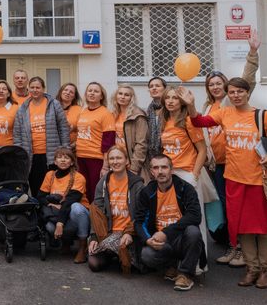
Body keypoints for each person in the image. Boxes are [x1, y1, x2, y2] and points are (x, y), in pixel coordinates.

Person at [186, 79, 267, 289]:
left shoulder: (263, 115)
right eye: (232, 92)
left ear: (248, 93)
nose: (236, 95)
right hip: (233, 179)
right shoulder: (225, 113)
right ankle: (252, 269)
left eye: (240, 91)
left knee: (263, 228)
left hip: (258, 180)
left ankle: (266, 271)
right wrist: (191, 104)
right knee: (242, 227)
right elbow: (199, 122)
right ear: (227, 95)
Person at [202, 30, 260, 265]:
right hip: (217, 166)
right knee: (225, 207)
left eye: (219, 84)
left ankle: (243, 251)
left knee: (238, 207)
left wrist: (252, 53)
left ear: (226, 86)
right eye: (211, 84)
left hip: (235, 163)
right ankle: (233, 246)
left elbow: (247, 79)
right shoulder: (207, 107)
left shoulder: (229, 101)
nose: (216, 87)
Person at [134, 154, 204, 292]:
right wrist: (148, 240)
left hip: (182, 239)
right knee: (147, 254)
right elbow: (139, 222)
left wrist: (166, 232)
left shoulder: (185, 188)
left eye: (164, 167)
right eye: (156, 168)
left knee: (193, 231)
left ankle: (186, 274)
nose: (160, 171)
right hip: (161, 242)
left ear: (172, 170)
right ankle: (172, 264)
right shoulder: (147, 192)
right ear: (151, 171)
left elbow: (195, 216)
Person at [158, 86, 209, 260]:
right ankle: (179, 260)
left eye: (175, 98)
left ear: (182, 102)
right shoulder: (164, 121)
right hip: (170, 176)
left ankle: (199, 263)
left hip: (187, 173)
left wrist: (194, 175)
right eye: (168, 98)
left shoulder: (189, 121)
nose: (171, 101)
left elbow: (202, 150)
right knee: (175, 218)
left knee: (195, 219)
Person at [87, 146, 145, 274]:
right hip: (108, 232)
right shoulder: (103, 182)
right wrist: (94, 237)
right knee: (93, 263)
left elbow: (141, 213)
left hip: (129, 233)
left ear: (126, 161)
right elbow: (97, 213)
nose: (115, 161)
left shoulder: (137, 184)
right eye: (111, 158)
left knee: (110, 249)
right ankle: (115, 254)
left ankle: (121, 254)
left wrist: (130, 232)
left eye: (119, 158)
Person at [14, 76, 70, 193]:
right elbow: (17, 134)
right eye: (32, 87)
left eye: (38, 87)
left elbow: (63, 129)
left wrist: (65, 151)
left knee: (53, 188)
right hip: (32, 156)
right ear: (29, 88)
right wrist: (19, 155)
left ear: (44, 88)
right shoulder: (22, 109)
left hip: (52, 155)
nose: (35, 90)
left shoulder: (54, 105)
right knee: (36, 188)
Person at [36, 146, 91, 263]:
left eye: (66, 158)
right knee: (50, 227)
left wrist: (60, 224)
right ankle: (66, 243)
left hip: (78, 214)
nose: (62, 160)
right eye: (59, 157)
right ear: (55, 161)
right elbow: (40, 197)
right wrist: (51, 205)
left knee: (75, 208)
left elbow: (69, 202)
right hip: (60, 212)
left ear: (72, 162)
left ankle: (82, 248)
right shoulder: (50, 175)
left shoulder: (79, 178)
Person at [75, 83, 116, 201]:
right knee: (84, 191)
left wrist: (105, 166)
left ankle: (96, 213)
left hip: (96, 159)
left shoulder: (106, 114)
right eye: (90, 90)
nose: (92, 93)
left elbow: (108, 142)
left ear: (101, 96)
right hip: (80, 157)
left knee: (95, 192)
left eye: (96, 91)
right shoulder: (83, 112)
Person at [109, 85, 150, 183]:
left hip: (131, 164)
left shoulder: (138, 116)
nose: (122, 97)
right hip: (116, 162)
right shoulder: (113, 115)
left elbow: (141, 144)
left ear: (131, 98)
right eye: (120, 94)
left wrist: (134, 168)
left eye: (126, 95)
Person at [56, 82, 83, 150]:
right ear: (61, 92)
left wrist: (73, 145)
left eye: (71, 92)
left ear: (74, 96)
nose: (67, 93)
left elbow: (83, 131)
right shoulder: (53, 108)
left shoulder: (79, 110)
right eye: (65, 90)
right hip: (55, 149)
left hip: (73, 149)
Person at [146, 77, 168, 156]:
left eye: (157, 86)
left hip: (169, 150)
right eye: (151, 86)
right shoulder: (147, 111)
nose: (154, 88)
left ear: (165, 89)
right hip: (150, 154)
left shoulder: (170, 108)